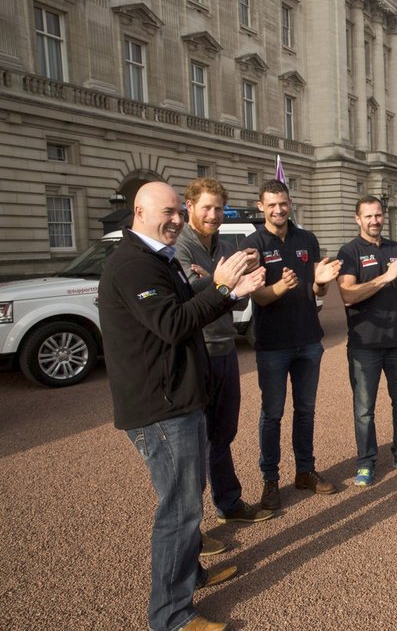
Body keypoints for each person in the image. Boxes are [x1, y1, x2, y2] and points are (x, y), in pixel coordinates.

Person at [99, 181, 266, 631]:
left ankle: (191, 574)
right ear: (139, 212)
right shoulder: (133, 264)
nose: (176, 219)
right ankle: (171, 615)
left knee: (187, 500)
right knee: (179, 511)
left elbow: (188, 307)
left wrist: (229, 290)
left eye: (178, 211)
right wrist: (224, 287)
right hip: (161, 408)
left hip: (176, 398)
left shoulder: (156, 258)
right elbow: (173, 325)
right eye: (167, 211)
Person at [173, 177, 274, 529]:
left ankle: (228, 503)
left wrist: (231, 278)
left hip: (225, 347)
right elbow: (188, 294)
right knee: (195, 442)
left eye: (218, 208)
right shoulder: (179, 245)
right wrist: (220, 280)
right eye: (207, 208)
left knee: (223, 433)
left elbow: (233, 297)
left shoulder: (220, 246)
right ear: (190, 207)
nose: (213, 215)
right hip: (197, 352)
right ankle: (192, 529)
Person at [243, 180, 342, 510]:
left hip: (308, 339)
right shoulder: (253, 244)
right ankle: (270, 480)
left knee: (306, 410)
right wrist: (281, 288)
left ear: (290, 203)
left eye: (283, 203)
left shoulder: (307, 239)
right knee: (272, 414)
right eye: (271, 204)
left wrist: (321, 283)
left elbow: (318, 291)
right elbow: (257, 295)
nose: (278, 209)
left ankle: (305, 471)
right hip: (273, 343)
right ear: (261, 206)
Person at [336, 196, 397, 487]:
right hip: (365, 344)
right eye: (368, 216)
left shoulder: (395, 248)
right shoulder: (349, 252)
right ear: (357, 219)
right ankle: (366, 462)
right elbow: (348, 295)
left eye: (378, 215)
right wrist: (386, 277)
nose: (374, 221)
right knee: (364, 409)